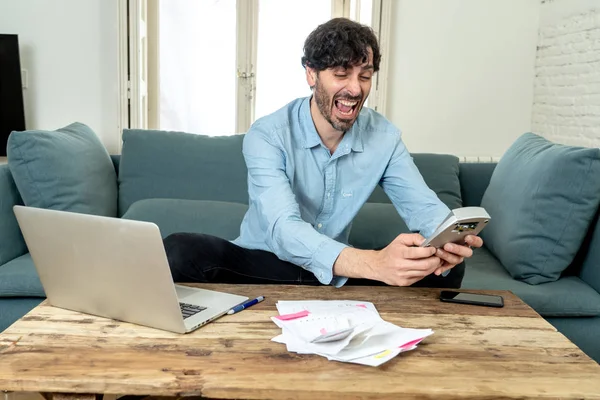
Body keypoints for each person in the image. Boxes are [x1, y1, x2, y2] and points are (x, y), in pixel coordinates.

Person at [164, 17, 483, 288]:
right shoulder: (268, 134)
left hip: (335, 274)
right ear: (311, 74)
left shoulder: (384, 137)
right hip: (263, 266)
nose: (356, 89)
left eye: (365, 75)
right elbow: (283, 230)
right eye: (341, 74)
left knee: (446, 271)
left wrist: (447, 239)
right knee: (180, 250)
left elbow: (423, 206)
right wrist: (374, 264)